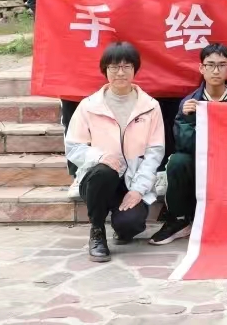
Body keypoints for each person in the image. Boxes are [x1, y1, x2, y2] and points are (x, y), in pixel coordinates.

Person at [27, 0, 130, 175]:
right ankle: (77, 172)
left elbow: (126, 17)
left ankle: (110, 170)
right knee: (73, 117)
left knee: (107, 115)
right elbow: (45, 16)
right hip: (71, 59)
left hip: (105, 58)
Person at [65, 42, 164, 262]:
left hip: (132, 180)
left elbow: (155, 153)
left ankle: (121, 225)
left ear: (135, 69)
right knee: (104, 171)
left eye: (127, 66)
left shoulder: (150, 106)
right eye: (114, 67)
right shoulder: (89, 105)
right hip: (97, 180)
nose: (120, 72)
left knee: (130, 225)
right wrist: (100, 157)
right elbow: (73, 147)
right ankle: (97, 231)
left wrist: (138, 190)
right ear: (105, 70)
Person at [149, 43, 227, 246]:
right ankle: (179, 220)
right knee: (178, 161)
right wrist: (188, 118)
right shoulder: (190, 103)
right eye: (210, 65)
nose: (216, 71)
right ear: (201, 68)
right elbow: (184, 144)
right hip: (200, 165)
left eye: (221, 65)